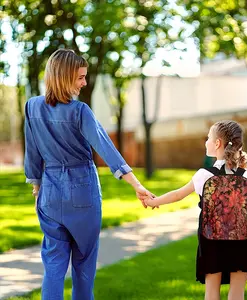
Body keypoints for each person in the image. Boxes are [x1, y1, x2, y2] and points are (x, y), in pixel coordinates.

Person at [24, 48, 153, 300]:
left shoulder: (32, 107)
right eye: (80, 77)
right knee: (83, 265)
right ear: (64, 77)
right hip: (82, 192)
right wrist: (136, 184)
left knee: (53, 265)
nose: (84, 83)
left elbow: (32, 153)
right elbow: (106, 148)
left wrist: (37, 188)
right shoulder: (79, 110)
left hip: (49, 193)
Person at [145, 120, 247, 300]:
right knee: (237, 294)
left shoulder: (204, 175)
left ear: (217, 144)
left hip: (212, 243)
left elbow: (178, 195)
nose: (206, 142)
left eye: (208, 138)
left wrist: (154, 202)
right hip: (241, 242)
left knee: (211, 294)